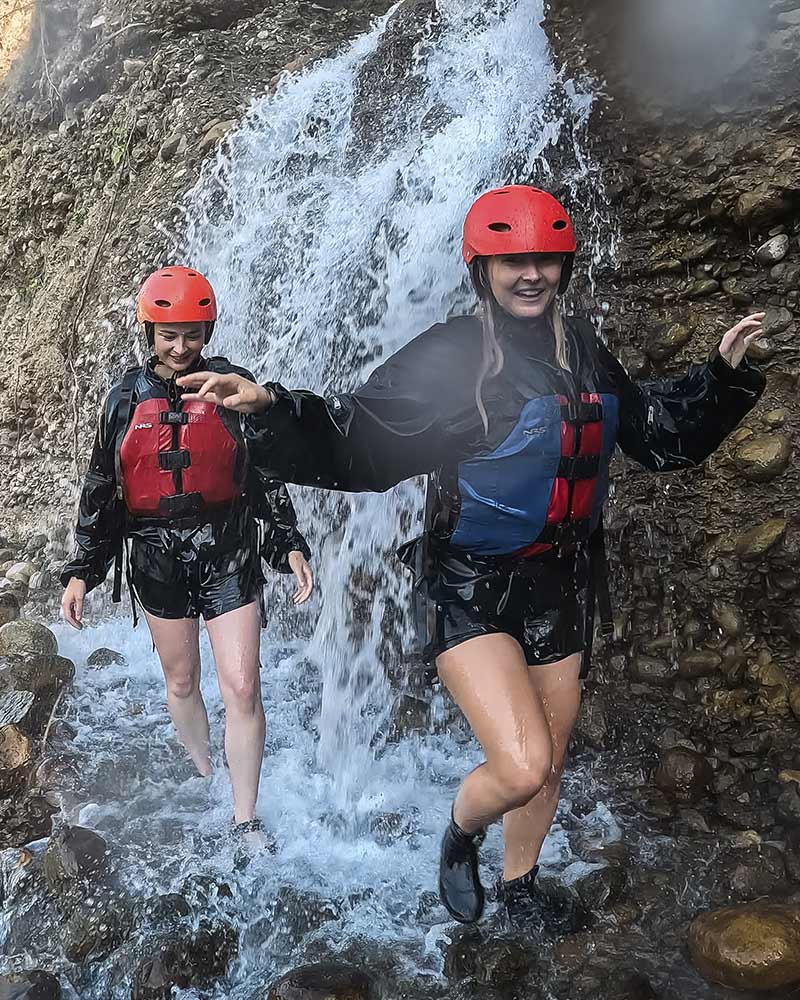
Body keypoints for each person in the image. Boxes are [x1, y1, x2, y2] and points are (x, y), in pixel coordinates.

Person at [176, 186, 766, 923]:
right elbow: (360, 436)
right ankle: (460, 836)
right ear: (481, 267)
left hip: (562, 579)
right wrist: (271, 407)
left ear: (564, 267)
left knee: (548, 760)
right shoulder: (451, 356)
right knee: (519, 764)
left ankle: (520, 885)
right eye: (512, 259)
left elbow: (651, 430)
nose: (531, 274)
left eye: (545, 259)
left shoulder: (581, 347)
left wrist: (722, 377)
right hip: (468, 582)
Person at [61, 266, 314, 843]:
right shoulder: (124, 399)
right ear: (148, 331)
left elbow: (264, 474)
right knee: (181, 682)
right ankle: (205, 774)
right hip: (155, 556)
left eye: (193, 334)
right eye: (169, 335)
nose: (181, 348)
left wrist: (287, 543)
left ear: (209, 331)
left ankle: (244, 817)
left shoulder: (232, 387)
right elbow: (104, 487)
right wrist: (83, 571)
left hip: (226, 548)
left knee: (243, 684)